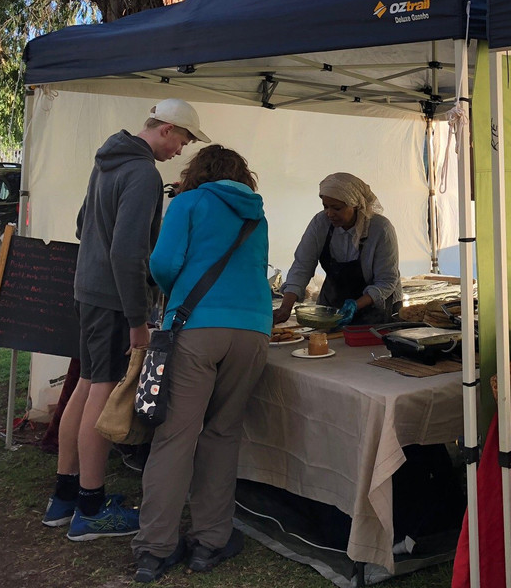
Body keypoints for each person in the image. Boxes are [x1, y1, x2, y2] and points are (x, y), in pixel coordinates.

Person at [42, 98, 209, 539]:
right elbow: (128, 252)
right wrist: (139, 319)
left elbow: (83, 225)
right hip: (114, 299)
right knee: (103, 388)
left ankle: (66, 495)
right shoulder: (142, 173)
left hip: (90, 290)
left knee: (86, 383)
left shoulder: (109, 159)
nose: (182, 150)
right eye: (184, 139)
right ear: (167, 129)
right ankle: (92, 509)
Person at [131, 145, 270, 582]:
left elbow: (162, 264)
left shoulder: (187, 202)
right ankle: (211, 540)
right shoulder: (256, 213)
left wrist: (181, 290)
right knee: (223, 434)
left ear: (197, 172)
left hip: (196, 327)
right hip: (252, 331)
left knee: (175, 437)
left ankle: (156, 548)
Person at [274, 172, 402, 327]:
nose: (329, 213)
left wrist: (355, 305)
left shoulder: (381, 229)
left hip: (375, 308)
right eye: (325, 206)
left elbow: (387, 281)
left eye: (337, 208)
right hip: (334, 306)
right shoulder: (320, 224)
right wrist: (286, 307)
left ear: (356, 205)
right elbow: (302, 267)